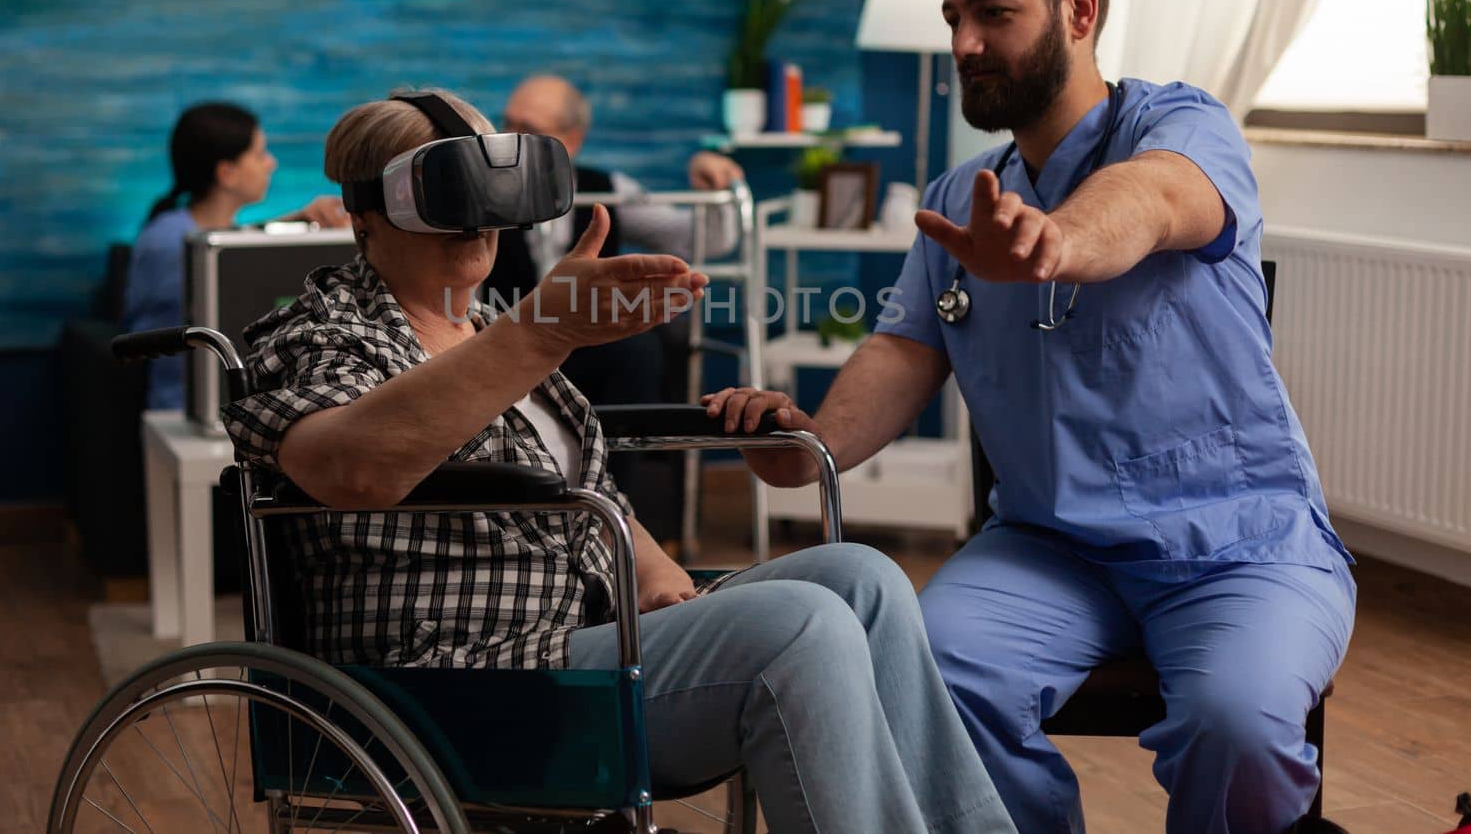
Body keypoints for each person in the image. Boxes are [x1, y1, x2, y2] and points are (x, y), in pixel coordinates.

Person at [705, 0, 1355, 834]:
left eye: (992, 14)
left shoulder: (1181, 125)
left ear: (1077, 9)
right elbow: (902, 349)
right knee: (926, 669)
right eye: (952, 19)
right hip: (1051, 551)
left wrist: (1062, 240)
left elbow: (1155, 199)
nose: (964, 44)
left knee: (1236, 724)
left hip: (1236, 546)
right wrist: (810, 446)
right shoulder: (959, 200)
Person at [220, 90, 1016, 834]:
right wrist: (540, 333)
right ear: (367, 217)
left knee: (865, 579)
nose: (476, 222)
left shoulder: (487, 326)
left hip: (580, 635)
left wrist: (661, 573)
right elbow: (350, 466)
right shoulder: (322, 334)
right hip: (457, 681)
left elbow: (578, 490)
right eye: (446, 195)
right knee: (799, 628)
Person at [490, 74, 748, 541]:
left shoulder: (605, 187)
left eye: (525, 129)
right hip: (500, 336)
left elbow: (702, 238)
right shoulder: (479, 192)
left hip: (587, 346)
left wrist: (715, 178)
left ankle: (613, 519)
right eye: (505, 125)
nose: (508, 141)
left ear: (570, 140)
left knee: (639, 351)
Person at [124, 101, 346, 410]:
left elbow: (236, 242)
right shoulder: (172, 242)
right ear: (226, 173)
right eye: (259, 154)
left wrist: (300, 219)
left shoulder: (185, 231)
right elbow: (231, 275)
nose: (270, 164)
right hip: (184, 408)